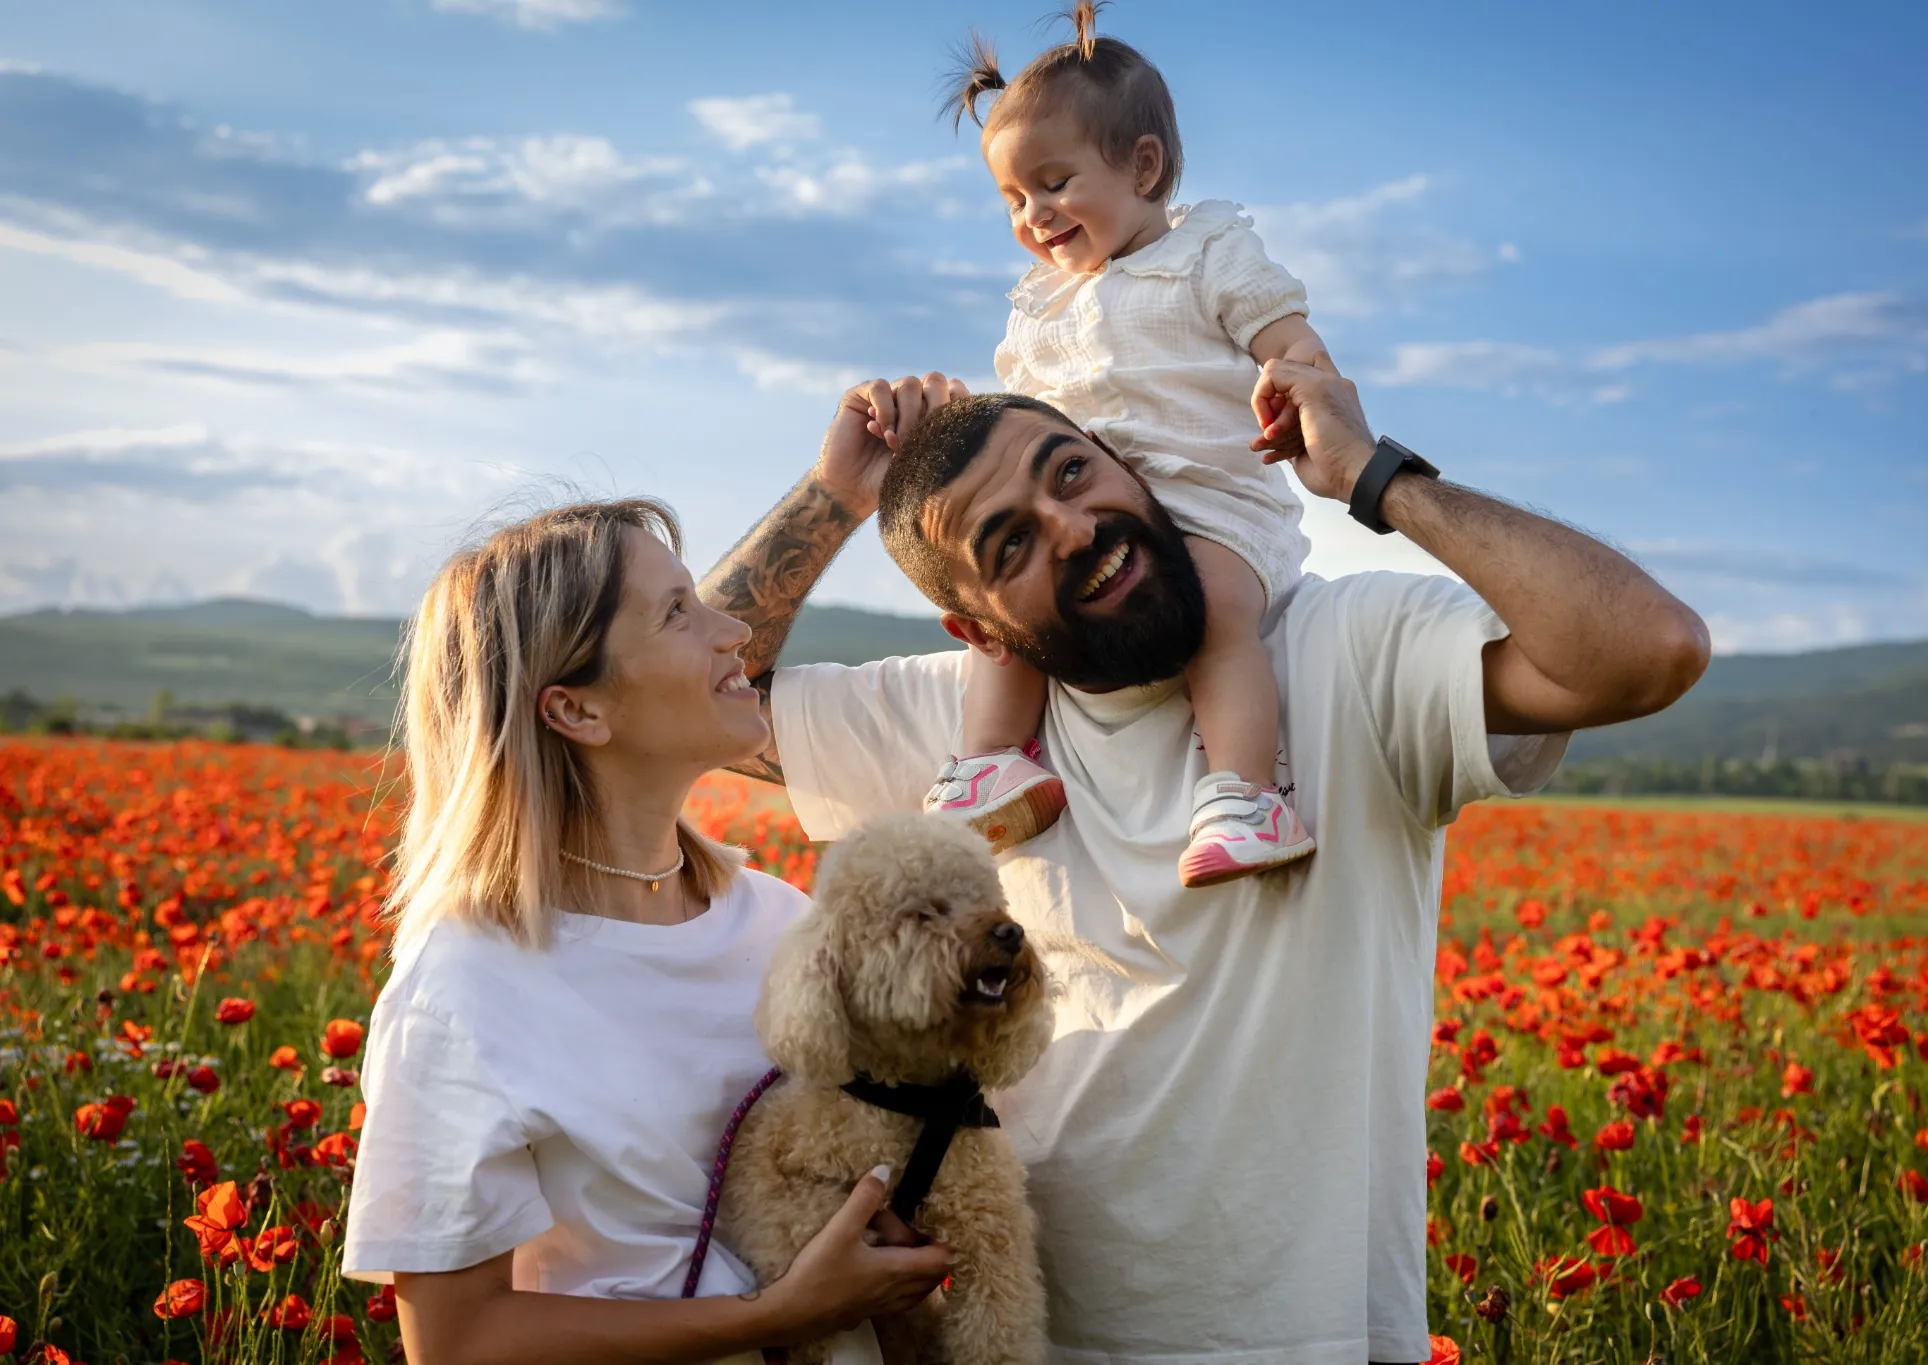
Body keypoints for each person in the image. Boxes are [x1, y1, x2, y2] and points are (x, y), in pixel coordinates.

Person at [705, 368, 1709, 1364]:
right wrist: (831, 496)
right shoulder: (961, 732)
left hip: (1313, 1335)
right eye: (1009, 542)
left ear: (1126, 468)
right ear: (977, 633)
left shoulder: (1341, 649)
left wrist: (1373, 475)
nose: (1072, 528)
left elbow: (1647, 648)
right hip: (1034, 1332)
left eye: (1069, 474)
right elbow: (692, 694)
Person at [340, 499, 951, 1364]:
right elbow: (458, 1340)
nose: (735, 628)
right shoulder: (465, 984)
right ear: (578, 712)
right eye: (677, 612)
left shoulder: (781, 920)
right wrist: (777, 1315)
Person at [894, 3, 1330, 887]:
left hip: (1215, 501)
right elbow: (1015, 420)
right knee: (1011, 623)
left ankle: (1246, 792)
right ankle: (989, 763)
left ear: (1143, 167)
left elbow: (1290, 341)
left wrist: (1297, 390)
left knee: (1214, 614)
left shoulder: (1210, 251)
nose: (1033, 214)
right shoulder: (1039, 305)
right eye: (1014, 199)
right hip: (1090, 507)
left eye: (1053, 184)